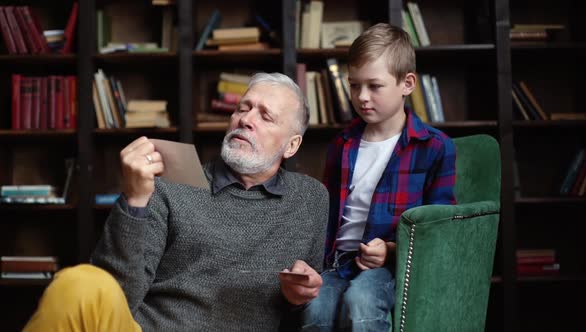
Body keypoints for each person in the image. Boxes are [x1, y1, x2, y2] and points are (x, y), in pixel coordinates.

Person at [23, 73, 328, 331]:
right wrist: (135, 200)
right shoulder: (169, 182)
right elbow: (117, 293)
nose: (246, 119)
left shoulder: (311, 199)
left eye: (265, 116)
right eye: (242, 108)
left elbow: (307, 314)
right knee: (79, 283)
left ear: (292, 144)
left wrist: (300, 295)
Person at [301, 23, 457, 331]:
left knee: (360, 301)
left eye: (374, 86)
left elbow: (439, 229)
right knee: (315, 308)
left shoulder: (434, 146)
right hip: (337, 262)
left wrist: (391, 250)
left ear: (407, 83)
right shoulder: (342, 144)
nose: (362, 97)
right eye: (354, 85)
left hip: (390, 265)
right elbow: (327, 213)